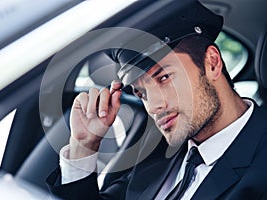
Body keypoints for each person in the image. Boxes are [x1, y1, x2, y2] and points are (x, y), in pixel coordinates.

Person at [47, 0, 267, 199]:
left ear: (212, 63)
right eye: (141, 93)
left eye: (164, 77)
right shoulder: (157, 148)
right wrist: (84, 147)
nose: (154, 106)